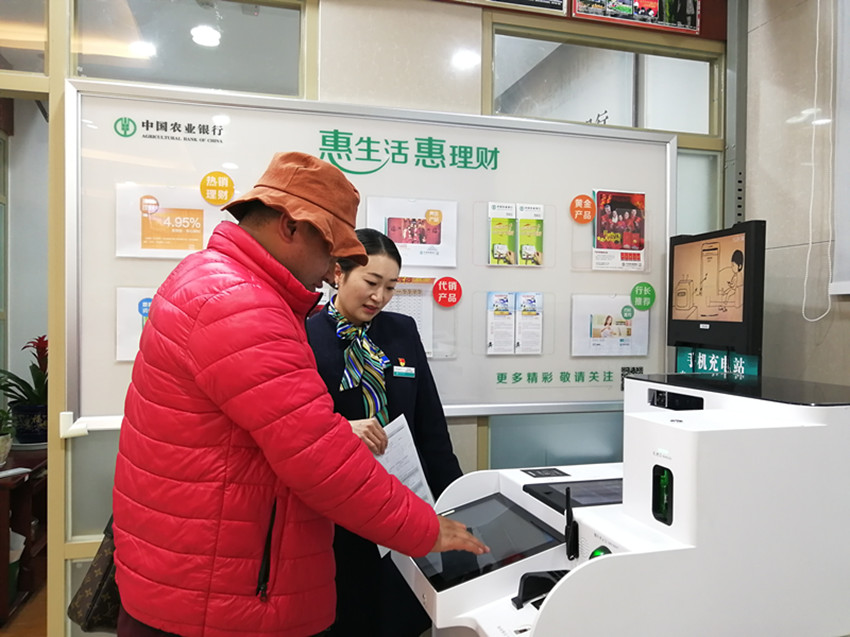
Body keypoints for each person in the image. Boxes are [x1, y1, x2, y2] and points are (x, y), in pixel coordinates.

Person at [112, 152, 487, 637]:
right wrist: (427, 530)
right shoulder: (242, 304)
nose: (331, 271)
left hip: (205, 569)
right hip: (218, 587)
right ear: (290, 226)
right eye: (333, 253)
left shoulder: (212, 280)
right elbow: (318, 456)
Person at [306, 228, 464, 637]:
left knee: (401, 611)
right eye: (371, 282)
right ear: (338, 273)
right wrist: (340, 429)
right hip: (339, 507)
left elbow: (430, 422)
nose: (379, 297)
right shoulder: (304, 334)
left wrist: (455, 501)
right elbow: (293, 424)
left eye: (390, 287)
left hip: (403, 498)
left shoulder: (401, 331)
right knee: (347, 613)